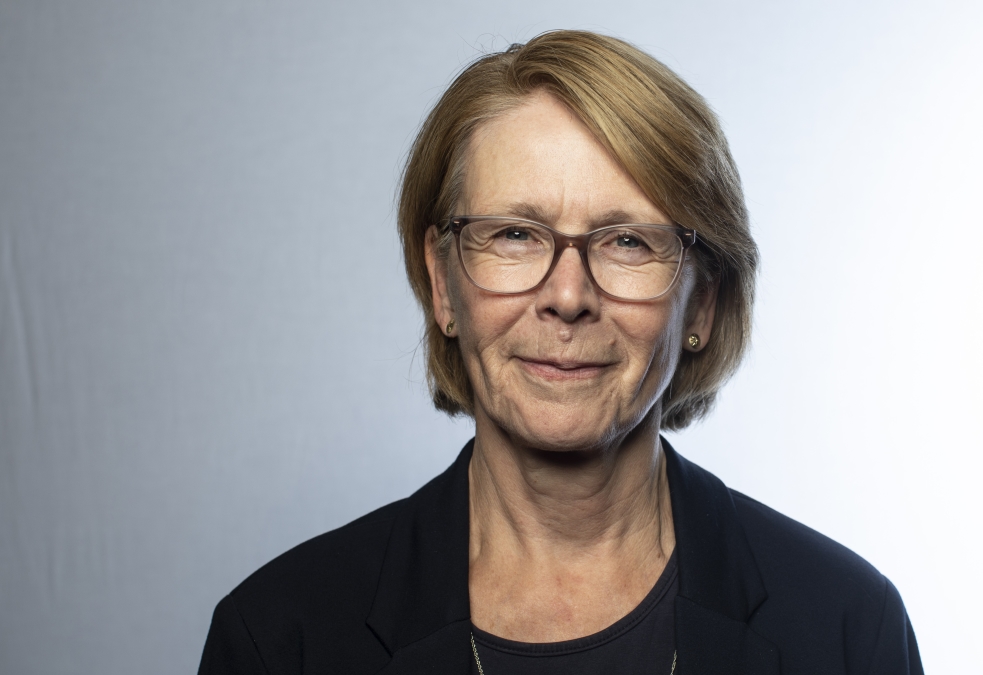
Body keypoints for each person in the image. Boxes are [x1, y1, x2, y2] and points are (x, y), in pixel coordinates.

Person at [199, 30, 923, 675]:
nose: (568, 295)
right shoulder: (278, 641)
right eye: (515, 233)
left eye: (628, 240)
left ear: (702, 301)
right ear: (443, 283)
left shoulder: (845, 629)